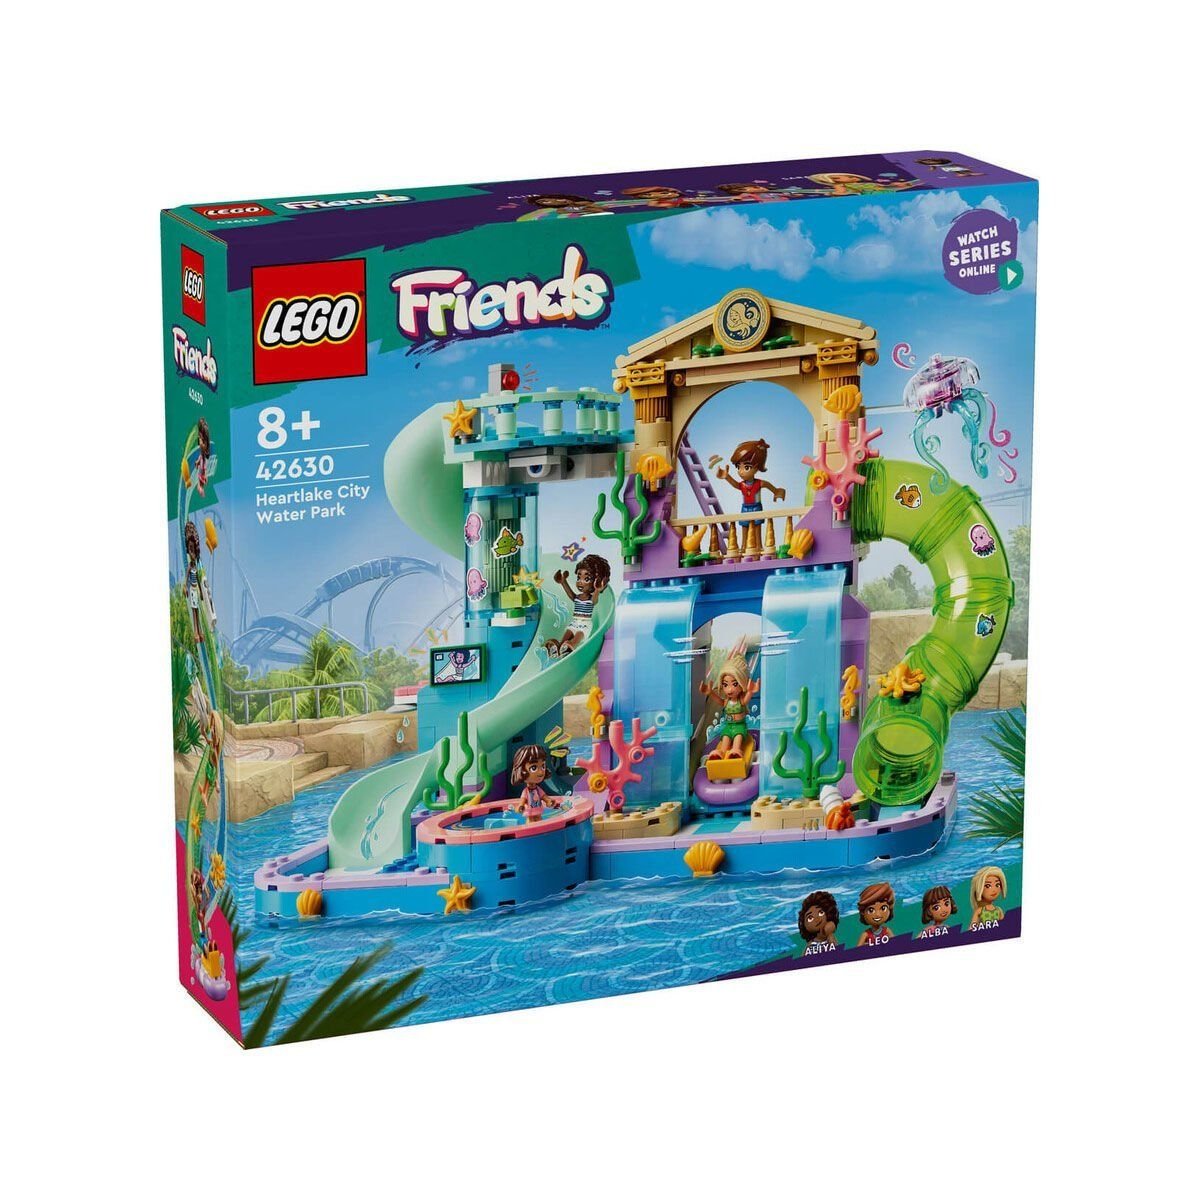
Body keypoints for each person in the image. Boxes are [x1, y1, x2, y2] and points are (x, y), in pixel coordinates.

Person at [700, 642, 758, 761]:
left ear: (741, 683)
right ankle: (721, 752)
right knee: (725, 737)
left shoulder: (740, 700)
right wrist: (710, 693)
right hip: (728, 726)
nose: (729, 689)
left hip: (739, 727)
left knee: (737, 737)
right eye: (725, 685)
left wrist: (750, 691)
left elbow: (746, 700)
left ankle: (736, 751)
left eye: (734, 684)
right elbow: (719, 701)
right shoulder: (726, 701)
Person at [546, 554, 610, 658]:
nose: (580, 582)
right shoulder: (578, 597)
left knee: (578, 635)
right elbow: (571, 594)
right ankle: (558, 646)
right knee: (568, 633)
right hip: (575, 622)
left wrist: (597, 590)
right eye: (579, 577)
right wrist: (563, 582)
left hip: (585, 623)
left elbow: (594, 601)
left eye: (586, 579)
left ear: (596, 581)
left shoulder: (591, 599)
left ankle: (570, 646)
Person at [717, 439, 786, 517]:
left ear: (757, 468)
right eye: (738, 467)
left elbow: (769, 486)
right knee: (744, 523)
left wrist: (776, 492)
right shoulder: (742, 485)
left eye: (746, 467)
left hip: (757, 508)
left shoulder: (760, 483)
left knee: (757, 524)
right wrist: (727, 477)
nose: (741, 471)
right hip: (745, 508)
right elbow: (735, 484)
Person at [509, 744, 558, 822]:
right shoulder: (526, 791)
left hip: (538, 810)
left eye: (543, 766)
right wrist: (521, 806)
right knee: (530, 820)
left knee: (539, 819)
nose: (541, 772)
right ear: (521, 770)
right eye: (534, 768)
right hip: (529, 810)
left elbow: (543, 796)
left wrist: (548, 801)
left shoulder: (538, 789)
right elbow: (523, 799)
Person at [184, 520, 204, 645]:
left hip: (196, 590)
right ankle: (195, 632)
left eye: (194, 549)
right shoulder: (190, 566)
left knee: (198, 612)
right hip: (192, 590)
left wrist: (201, 592)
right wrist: (185, 587)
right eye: (190, 549)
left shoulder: (195, 567)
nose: (192, 552)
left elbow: (198, 580)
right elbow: (187, 578)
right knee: (194, 611)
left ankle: (200, 632)